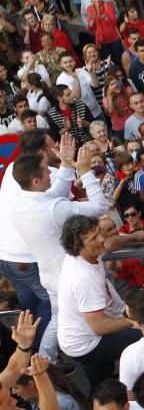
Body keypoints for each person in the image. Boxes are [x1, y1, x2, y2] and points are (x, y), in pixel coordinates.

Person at [11, 139, 111, 364]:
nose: (50, 173)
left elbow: (54, 192)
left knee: (58, 320)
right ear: (36, 180)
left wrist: (66, 163)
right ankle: (80, 360)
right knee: (91, 318)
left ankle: (47, 364)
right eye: (46, 171)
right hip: (72, 278)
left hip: (50, 275)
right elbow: (100, 207)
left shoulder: (20, 200)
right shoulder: (52, 209)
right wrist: (85, 172)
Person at [0, 131, 66, 359]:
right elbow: (68, 213)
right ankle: (38, 358)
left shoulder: (12, 169)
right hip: (28, 259)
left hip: (6, 257)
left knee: (29, 308)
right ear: (40, 153)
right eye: (51, 146)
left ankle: (25, 355)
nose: (56, 147)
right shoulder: (53, 174)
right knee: (53, 308)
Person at [56, 215, 140, 389]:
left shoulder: (88, 252)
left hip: (78, 337)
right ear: (78, 246)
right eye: (94, 238)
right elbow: (99, 327)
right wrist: (136, 319)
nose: (102, 239)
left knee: (102, 382)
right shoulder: (83, 277)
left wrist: (132, 237)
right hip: (88, 343)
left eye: (99, 232)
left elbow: (110, 244)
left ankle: (102, 400)